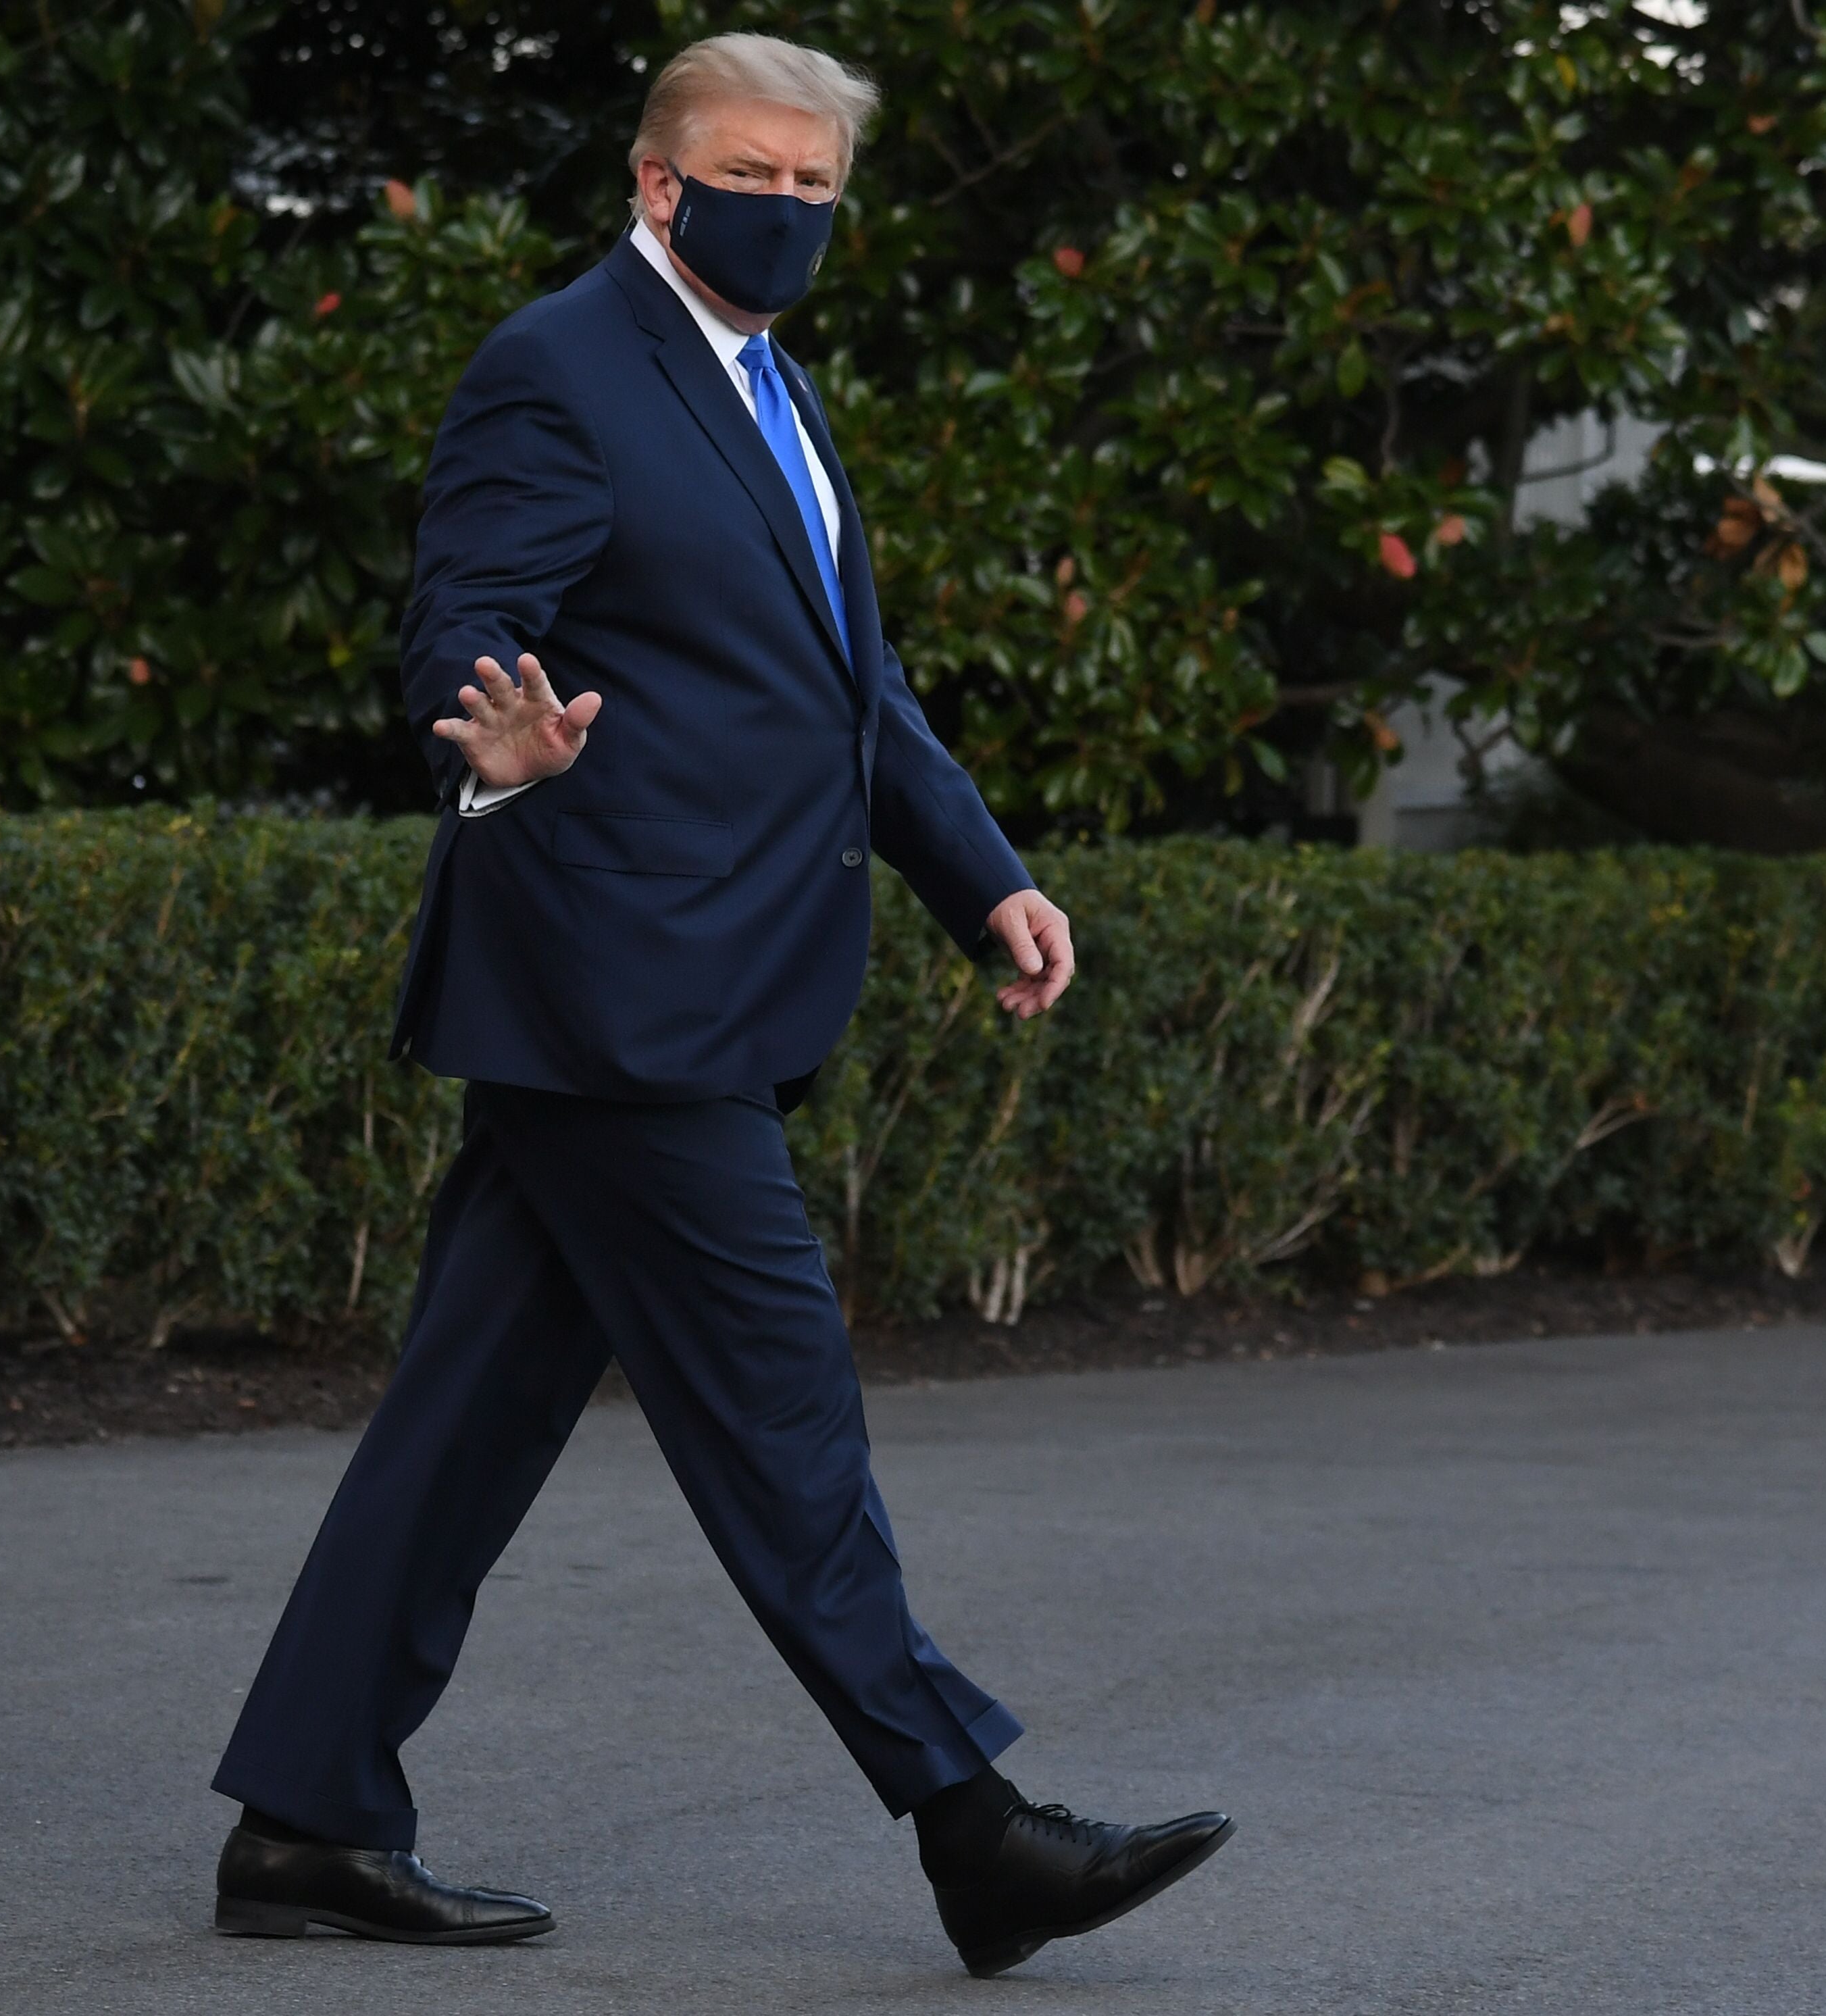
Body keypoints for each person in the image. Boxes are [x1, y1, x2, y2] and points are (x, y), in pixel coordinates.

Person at [206, 31, 1229, 1980]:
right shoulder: (559, 368)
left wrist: (985, 873)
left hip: (686, 993)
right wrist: (496, 742)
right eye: (756, 173)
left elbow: (857, 690)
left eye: (822, 186)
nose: (790, 208)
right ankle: (973, 1828)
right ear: (659, 180)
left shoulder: (772, 386)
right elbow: (461, 627)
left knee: (463, 1431)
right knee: (783, 1422)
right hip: (618, 996)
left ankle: (307, 1820)